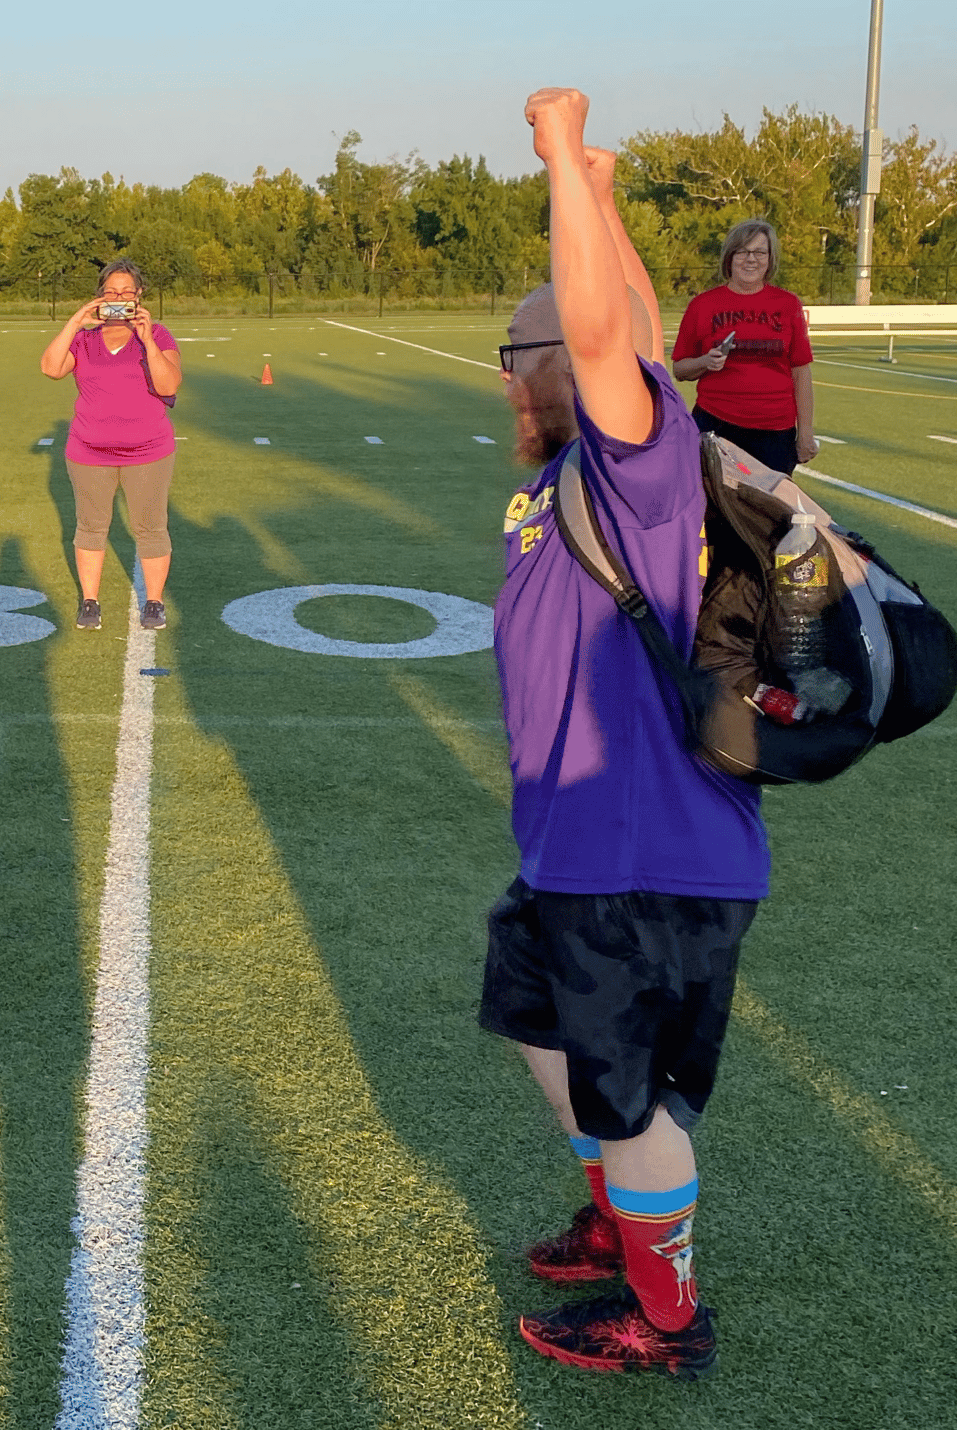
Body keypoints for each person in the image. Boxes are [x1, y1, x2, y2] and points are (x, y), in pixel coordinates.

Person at [483, 88, 770, 1378]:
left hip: (643, 854)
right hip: (576, 851)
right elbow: (636, 327)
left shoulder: (635, 460)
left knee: (629, 1097)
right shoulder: (572, 480)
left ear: (561, 359)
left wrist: (557, 161)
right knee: (538, 1022)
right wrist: (600, 194)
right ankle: (618, 1219)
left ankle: (664, 1318)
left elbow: (612, 333)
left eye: (515, 346)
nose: (502, 367)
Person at [38, 259, 182, 631]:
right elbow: (51, 369)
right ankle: (90, 600)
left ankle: (154, 601)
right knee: (90, 526)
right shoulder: (85, 339)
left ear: (140, 296)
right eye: (111, 292)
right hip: (89, 451)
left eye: (127, 293)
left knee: (151, 526)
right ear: (100, 295)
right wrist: (76, 320)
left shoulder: (159, 334)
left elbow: (168, 385)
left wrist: (147, 339)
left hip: (149, 451)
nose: (119, 299)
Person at [669, 219, 815, 475]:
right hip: (716, 424)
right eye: (743, 252)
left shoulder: (788, 304)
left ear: (770, 259)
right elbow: (680, 369)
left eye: (760, 252)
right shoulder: (703, 305)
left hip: (775, 431)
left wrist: (805, 433)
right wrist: (705, 362)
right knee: (714, 510)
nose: (751, 259)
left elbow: (801, 373)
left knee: (770, 511)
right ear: (730, 257)